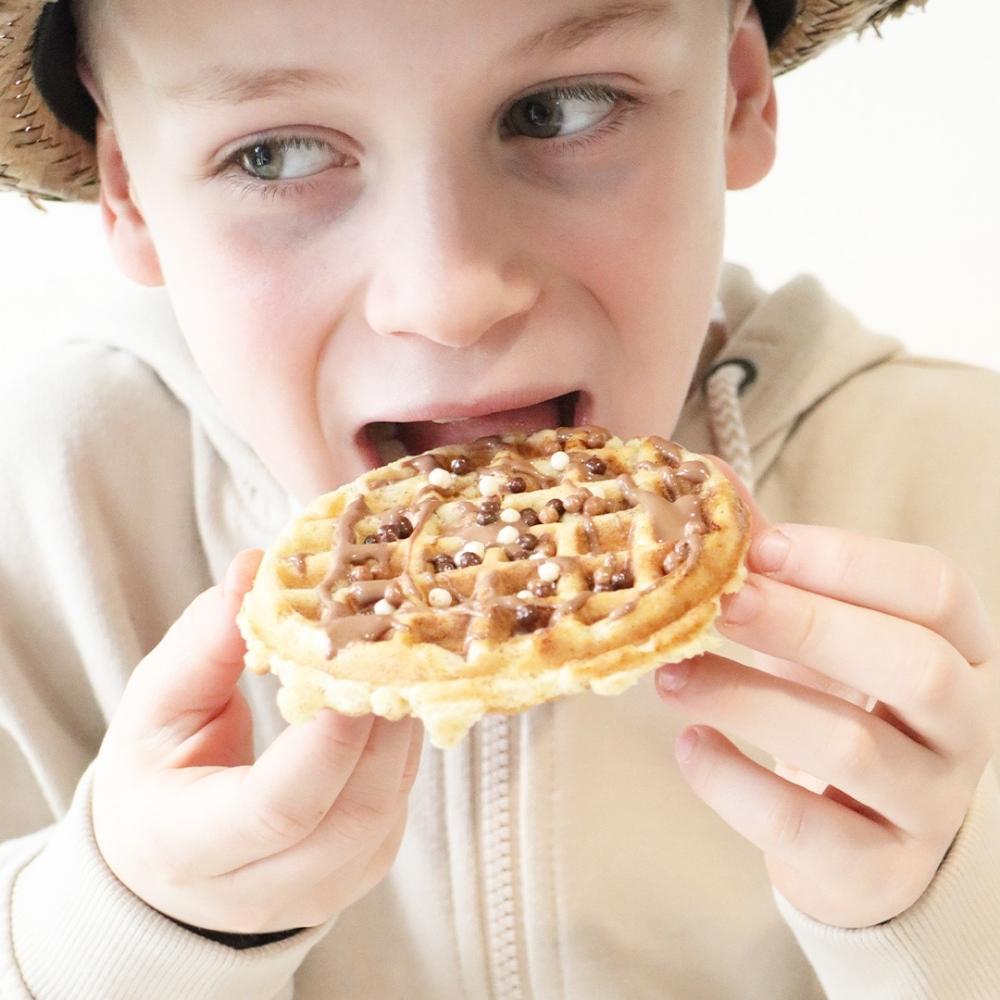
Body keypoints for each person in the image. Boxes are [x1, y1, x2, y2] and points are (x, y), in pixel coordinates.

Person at [1, 0, 998, 996]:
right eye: (276, 154)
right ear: (128, 188)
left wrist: (949, 917)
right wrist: (124, 926)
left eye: (560, 108)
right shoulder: (45, 511)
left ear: (738, 94)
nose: (448, 295)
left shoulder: (962, 478)